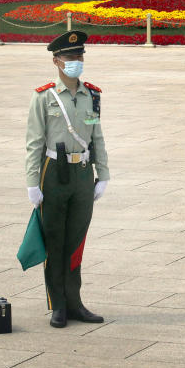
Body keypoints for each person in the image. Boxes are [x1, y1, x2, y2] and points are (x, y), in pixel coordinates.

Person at [25, 30, 110, 328]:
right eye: (70, 57)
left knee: (75, 241)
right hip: (54, 172)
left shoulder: (91, 95)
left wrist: (103, 174)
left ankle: (75, 303)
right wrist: (32, 183)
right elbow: (34, 142)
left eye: (79, 57)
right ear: (56, 60)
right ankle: (58, 304)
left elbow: (96, 135)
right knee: (55, 241)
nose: (76, 62)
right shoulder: (44, 97)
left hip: (83, 174)